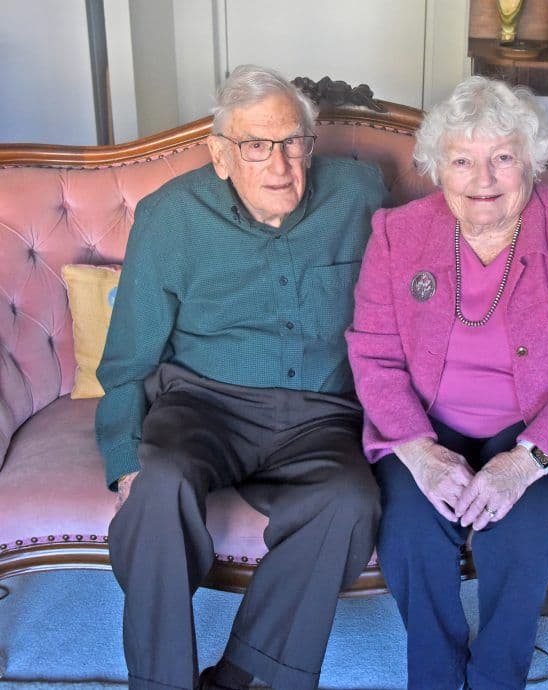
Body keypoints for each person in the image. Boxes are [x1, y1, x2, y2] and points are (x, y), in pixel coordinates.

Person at [95, 64, 386, 690]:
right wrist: (123, 458)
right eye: (257, 146)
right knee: (158, 484)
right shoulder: (169, 216)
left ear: (311, 144)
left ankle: (242, 677)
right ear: (222, 153)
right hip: (203, 405)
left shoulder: (361, 193)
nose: (280, 165)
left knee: (350, 501)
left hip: (321, 413)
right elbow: (128, 356)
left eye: (293, 143)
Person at [346, 76, 548, 690]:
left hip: (542, 430)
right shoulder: (398, 235)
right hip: (427, 427)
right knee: (409, 536)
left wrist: (521, 463)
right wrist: (419, 453)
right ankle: (435, 675)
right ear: (436, 168)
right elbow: (373, 355)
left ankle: (495, 679)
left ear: (530, 162)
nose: (483, 179)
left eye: (502, 158)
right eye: (462, 160)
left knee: (518, 537)